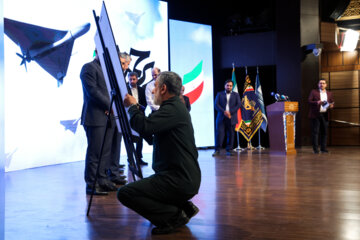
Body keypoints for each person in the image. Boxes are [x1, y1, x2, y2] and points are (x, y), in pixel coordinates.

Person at [118, 71, 201, 235]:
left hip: (179, 179)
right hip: (183, 177)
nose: (153, 91)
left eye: (155, 87)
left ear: (163, 88)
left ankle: (173, 216)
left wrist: (133, 108)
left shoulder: (172, 109)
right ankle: (183, 206)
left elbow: (146, 127)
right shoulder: (174, 108)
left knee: (125, 193)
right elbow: (152, 134)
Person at [80, 50, 123, 195]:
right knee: (95, 153)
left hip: (108, 117)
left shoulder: (107, 71)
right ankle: (92, 185)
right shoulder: (88, 67)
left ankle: (103, 180)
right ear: (97, 51)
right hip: (95, 117)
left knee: (105, 153)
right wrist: (110, 106)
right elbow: (93, 92)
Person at [212, 80, 241, 156]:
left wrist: (230, 112)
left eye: (230, 86)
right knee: (219, 134)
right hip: (221, 117)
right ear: (225, 86)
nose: (229, 87)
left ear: (232, 87)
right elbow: (216, 104)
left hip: (232, 117)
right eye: (227, 85)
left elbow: (238, 105)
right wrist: (224, 112)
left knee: (231, 134)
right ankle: (217, 150)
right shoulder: (219, 94)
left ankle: (229, 150)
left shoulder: (236, 95)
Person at [126, 72, 148, 165]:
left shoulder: (142, 89)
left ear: (137, 79)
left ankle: (139, 158)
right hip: (129, 115)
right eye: (130, 79)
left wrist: (140, 108)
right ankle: (130, 159)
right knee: (129, 138)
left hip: (140, 115)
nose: (132, 81)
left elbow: (145, 102)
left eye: (134, 79)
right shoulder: (125, 90)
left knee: (140, 138)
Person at [308, 79, 334, 153]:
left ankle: (323, 148)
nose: (322, 84)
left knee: (324, 132)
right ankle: (315, 149)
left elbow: (332, 102)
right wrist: (317, 102)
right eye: (320, 83)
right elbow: (309, 101)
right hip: (316, 115)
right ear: (318, 84)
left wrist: (332, 105)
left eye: (323, 83)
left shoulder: (329, 93)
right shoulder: (314, 92)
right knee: (315, 132)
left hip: (325, 114)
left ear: (326, 85)